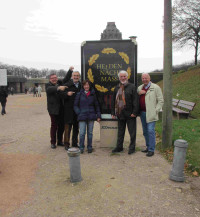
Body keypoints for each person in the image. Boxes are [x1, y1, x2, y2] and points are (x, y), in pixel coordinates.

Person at [111, 70, 139, 155]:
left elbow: (135, 101)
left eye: (124, 76)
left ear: (127, 77)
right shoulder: (117, 87)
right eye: (121, 76)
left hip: (130, 114)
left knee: (132, 132)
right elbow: (113, 101)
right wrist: (113, 112)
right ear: (119, 78)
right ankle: (119, 147)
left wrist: (134, 112)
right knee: (120, 132)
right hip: (120, 113)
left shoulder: (132, 87)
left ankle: (132, 148)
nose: (123, 78)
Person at [137, 73, 164, 157]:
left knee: (150, 131)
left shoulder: (156, 87)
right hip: (142, 113)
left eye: (146, 78)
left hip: (151, 113)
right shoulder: (139, 88)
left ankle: (151, 149)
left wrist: (156, 110)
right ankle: (148, 147)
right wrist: (138, 93)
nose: (144, 79)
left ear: (149, 78)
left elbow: (161, 100)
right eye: (143, 78)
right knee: (145, 132)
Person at [74, 80, 101, 153]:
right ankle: (81, 147)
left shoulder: (93, 94)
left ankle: (89, 147)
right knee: (82, 133)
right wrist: (79, 113)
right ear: (83, 86)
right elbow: (75, 105)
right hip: (82, 116)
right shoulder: (79, 94)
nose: (86, 86)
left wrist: (98, 116)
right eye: (85, 85)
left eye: (88, 85)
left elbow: (97, 105)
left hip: (91, 116)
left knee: (90, 133)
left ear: (89, 86)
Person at [59, 71, 81, 151]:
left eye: (77, 76)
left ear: (79, 77)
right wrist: (66, 94)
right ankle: (66, 143)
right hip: (68, 109)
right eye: (74, 75)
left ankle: (75, 143)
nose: (76, 77)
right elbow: (60, 94)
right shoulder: (67, 85)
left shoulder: (81, 85)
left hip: (77, 110)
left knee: (76, 127)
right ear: (72, 76)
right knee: (68, 127)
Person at [46, 74, 67, 149]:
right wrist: (59, 87)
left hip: (61, 108)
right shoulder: (48, 85)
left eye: (55, 78)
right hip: (53, 109)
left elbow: (66, 78)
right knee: (54, 125)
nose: (54, 79)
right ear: (50, 79)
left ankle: (60, 141)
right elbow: (50, 89)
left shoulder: (60, 83)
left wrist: (70, 71)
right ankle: (53, 142)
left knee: (61, 125)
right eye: (52, 78)